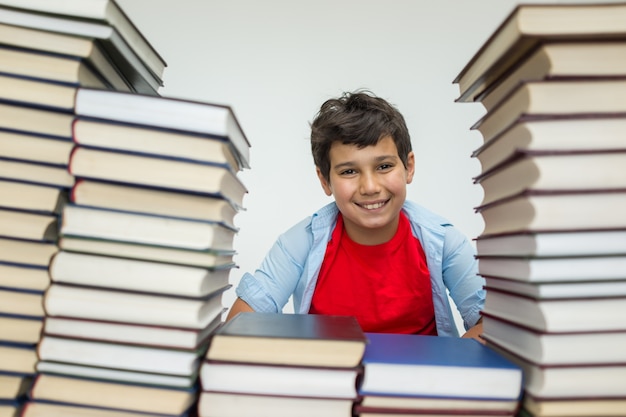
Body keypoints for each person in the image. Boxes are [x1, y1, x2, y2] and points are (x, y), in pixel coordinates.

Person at [227, 90, 485, 339]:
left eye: (384, 166)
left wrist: (447, 373)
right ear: (325, 180)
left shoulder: (444, 241)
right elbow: (239, 325)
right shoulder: (298, 244)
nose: (370, 187)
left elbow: (492, 326)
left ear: (409, 167)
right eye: (349, 171)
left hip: (424, 381)